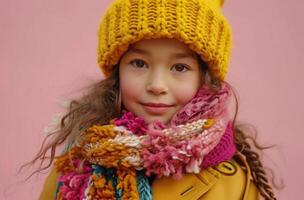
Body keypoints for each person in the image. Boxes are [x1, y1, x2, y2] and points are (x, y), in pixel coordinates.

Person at [32, 0, 277, 199]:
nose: (157, 85)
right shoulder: (77, 160)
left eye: (179, 67)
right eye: (139, 63)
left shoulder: (232, 183)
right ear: (117, 72)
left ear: (204, 79)